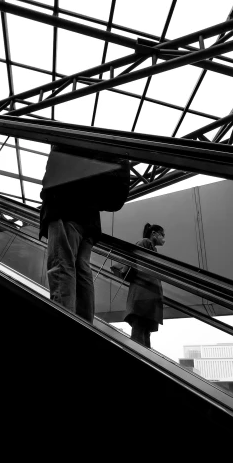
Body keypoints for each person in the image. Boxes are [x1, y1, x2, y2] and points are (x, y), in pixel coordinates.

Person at [40, 146, 130, 323]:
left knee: (62, 266)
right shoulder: (100, 157)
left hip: (65, 212)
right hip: (89, 223)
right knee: (82, 271)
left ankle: (64, 322)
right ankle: (84, 325)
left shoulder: (68, 146)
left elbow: (49, 181)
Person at [121, 223, 165, 346]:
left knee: (143, 330)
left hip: (147, 295)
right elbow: (131, 261)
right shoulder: (144, 243)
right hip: (143, 293)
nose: (164, 239)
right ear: (154, 233)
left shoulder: (152, 249)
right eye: (162, 235)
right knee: (140, 329)